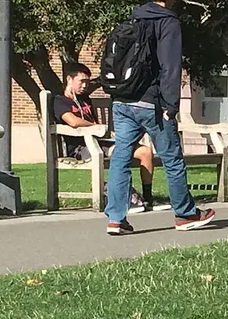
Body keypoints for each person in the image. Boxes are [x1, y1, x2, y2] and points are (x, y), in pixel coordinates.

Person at [104, 0, 215, 235]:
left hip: (122, 100)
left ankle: (116, 219)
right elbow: (170, 67)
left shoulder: (133, 19)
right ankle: (186, 214)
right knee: (172, 158)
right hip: (151, 103)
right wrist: (171, 105)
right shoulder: (168, 22)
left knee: (120, 157)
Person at [54, 61, 157, 209]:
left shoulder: (85, 100)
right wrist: (96, 127)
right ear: (69, 79)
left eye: (87, 82)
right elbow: (73, 121)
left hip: (101, 142)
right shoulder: (60, 101)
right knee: (122, 153)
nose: (84, 86)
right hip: (81, 148)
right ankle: (124, 197)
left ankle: (147, 197)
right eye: (81, 81)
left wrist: (107, 133)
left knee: (145, 152)